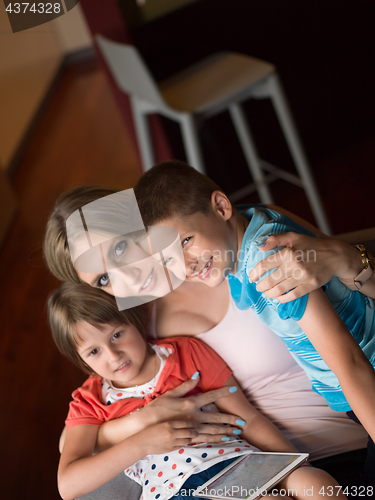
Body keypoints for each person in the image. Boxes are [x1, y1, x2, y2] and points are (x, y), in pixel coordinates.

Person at [44, 184, 368, 463]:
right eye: (102, 278)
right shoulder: (132, 330)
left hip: (351, 437)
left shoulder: (232, 237)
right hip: (261, 469)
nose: (128, 277)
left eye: (119, 247)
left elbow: (356, 285)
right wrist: (144, 420)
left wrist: (347, 258)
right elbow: (67, 441)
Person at [132, 160, 375, 486]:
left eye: (186, 241)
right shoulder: (248, 227)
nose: (185, 266)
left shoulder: (267, 263)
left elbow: (350, 363)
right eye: (168, 259)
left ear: (221, 206)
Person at [48, 282, 348, 500]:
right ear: (82, 362)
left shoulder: (186, 353)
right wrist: (142, 443)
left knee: (316, 484)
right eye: (94, 352)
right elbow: (69, 484)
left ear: (134, 322)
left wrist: (293, 462)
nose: (113, 355)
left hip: (237, 462)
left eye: (117, 335)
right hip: (175, 490)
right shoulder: (89, 401)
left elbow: (248, 418)